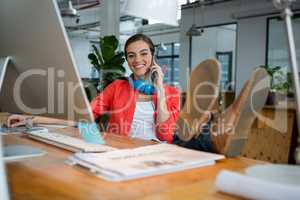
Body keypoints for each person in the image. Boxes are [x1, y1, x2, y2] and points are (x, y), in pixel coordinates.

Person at [6, 34, 181, 143]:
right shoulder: (117, 88)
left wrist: (159, 88)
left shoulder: (171, 93)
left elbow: (165, 135)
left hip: (157, 154)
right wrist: (31, 119)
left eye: (144, 53)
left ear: (152, 55)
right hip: (123, 153)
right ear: (127, 60)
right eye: (131, 55)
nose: (137, 60)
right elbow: (83, 117)